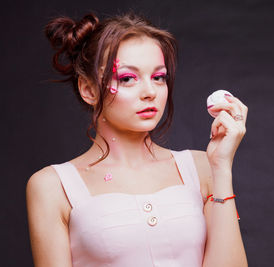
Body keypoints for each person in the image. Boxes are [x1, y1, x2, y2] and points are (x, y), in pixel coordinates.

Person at [26, 12, 248, 267]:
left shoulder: (202, 167)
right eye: (128, 78)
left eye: (158, 77)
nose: (150, 92)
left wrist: (221, 168)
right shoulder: (51, 186)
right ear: (88, 89)